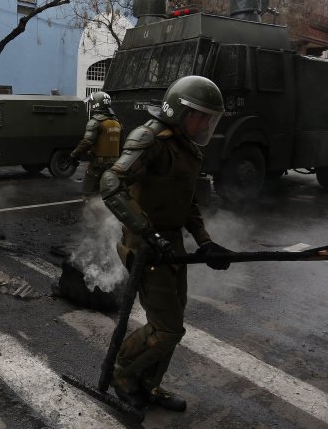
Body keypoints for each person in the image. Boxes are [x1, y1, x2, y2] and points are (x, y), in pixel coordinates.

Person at [99, 75, 232, 412]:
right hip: (143, 243)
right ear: (178, 110)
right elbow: (111, 182)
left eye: (209, 118)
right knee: (168, 329)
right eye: (198, 115)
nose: (203, 123)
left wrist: (205, 242)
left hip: (170, 244)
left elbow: (187, 202)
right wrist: (147, 233)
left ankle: (150, 385)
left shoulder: (186, 147)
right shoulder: (149, 138)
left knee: (171, 323)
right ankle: (123, 375)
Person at [69, 91, 121, 200]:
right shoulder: (117, 123)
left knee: (89, 192)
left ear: (96, 104)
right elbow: (121, 144)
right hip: (114, 164)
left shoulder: (96, 121)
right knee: (109, 192)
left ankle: (91, 213)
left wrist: (74, 155)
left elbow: (87, 142)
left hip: (98, 165)